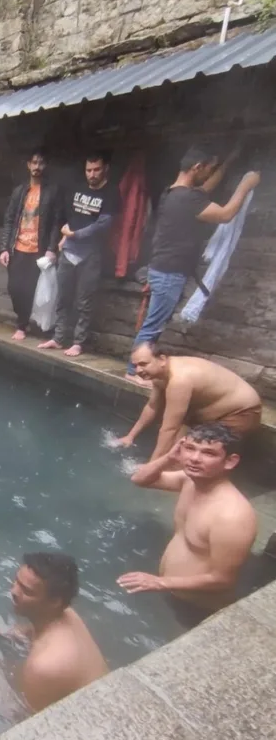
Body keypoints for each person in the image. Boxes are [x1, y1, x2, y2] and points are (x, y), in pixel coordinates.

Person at [126, 148, 260, 386]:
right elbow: (226, 214)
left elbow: (204, 190)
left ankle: (138, 369)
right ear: (197, 167)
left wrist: (226, 164)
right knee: (153, 326)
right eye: (207, 169)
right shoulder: (188, 199)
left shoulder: (173, 193)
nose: (208, 175)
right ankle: (134, 371)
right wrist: (246, 185)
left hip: (162, 268)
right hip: (169, 273)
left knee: (154, 323)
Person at [117, 423, 256, 620]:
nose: (194, 458)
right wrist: (169, 458)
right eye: (190, 449)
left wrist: (160, 583)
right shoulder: (189, 481)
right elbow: (140, 479)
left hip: (199, 607)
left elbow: (222, 579)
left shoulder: (231, 516)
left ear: (230, 461)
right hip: (171, 589)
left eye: (208, 453)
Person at [0, 552, 108, 713]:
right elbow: (26, 633)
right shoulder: (65, 613)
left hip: (90, 720)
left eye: (26, 591)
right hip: (101, 694)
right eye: (16, 581)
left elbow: (27, 722)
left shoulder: (43, 666)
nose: (13, 591)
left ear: (54, 601)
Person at [116, 344, 261, 460]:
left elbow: (169, 428)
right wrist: (130, 436)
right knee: (177, 451)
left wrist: (151, 466)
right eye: (135, 365)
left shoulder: (179, 380)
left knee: (196, 456)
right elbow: (152, 406)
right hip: (209, 411)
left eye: (143, 364)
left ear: (162, 359)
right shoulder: (158, 374)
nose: (138, 370)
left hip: (241, 412)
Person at [39, 153, 120, 357]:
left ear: (105, 169)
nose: (92, 174)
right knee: (63, 297)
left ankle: (78, 342)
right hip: (68, 251)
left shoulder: (111, 193)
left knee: (84, 301)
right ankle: (58, 338)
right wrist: (64, 237)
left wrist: (75, 234)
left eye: (96, 170)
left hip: (91, 254)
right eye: (88, 170)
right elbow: (67, 217)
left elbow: (103, 224)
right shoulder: (77, 188)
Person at [0, 149, 62, 340]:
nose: (37, 167)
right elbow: (9, 220)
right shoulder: (20, 191)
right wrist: (4, 248)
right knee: (14, 287)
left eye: (40, 163)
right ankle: (22, 319)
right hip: (17, 248)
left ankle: (25, 325)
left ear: (45, 165)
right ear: (28, 165)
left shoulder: (52, 191)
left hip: (39, 250)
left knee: (35, 290)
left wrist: (51, 249)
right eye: (34, 163)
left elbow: (56, 222)